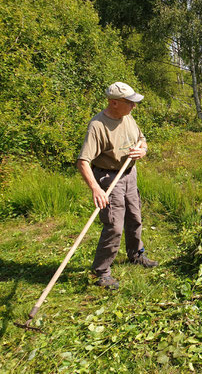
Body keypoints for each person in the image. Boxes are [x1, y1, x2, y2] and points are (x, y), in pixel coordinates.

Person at [77, 82, 158, 290]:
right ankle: (101, 272)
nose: (134, 106)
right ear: (114, 103)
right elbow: (83, 161)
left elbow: (142, 140)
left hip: (130, 173)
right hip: (108, 177)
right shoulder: (98, 125)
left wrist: (143, 151)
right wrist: (96, 188)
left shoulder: (128, 117)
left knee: (135, 216)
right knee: (114, 225)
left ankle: (136, 254)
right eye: (129, 102)